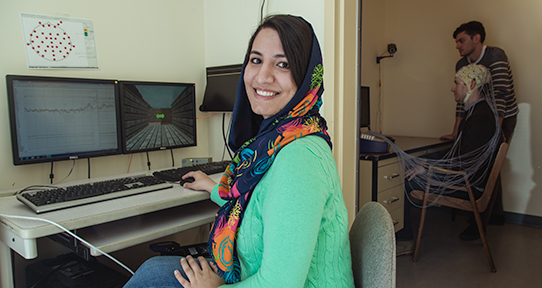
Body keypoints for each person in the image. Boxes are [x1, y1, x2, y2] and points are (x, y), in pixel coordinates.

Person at [123, 14, 355, 288]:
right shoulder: (283, 136)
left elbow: (280, 284)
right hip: (251, 275)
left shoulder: (299, 159)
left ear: (306, 76)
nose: (262, 76)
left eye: (282, 64)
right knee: (153, 272)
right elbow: (260, 206)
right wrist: (212, 187)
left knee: (151, 278)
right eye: (256, 60)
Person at [396, 64, 503, 255]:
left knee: (407, 182)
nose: (453, 88)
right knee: (415, 168)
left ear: (471, 84)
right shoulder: (480, 112)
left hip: (467, 187)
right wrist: (425, 165)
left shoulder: (479, 118)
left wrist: (426, 169)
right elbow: (460, 156)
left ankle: (405, 240)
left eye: (457, 83)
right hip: (468, 182)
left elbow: (464, 163)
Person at [441, 21, 518, 229]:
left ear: (477, 39)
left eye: (461, 40)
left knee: (490, 162)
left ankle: (479, 221)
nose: (458, 45)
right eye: (457, 41)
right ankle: (496, 215)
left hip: (501, 115)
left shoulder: (495, 56)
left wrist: (496, 132)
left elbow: (501, 94)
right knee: (487, 163)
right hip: (477, 113)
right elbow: (462, 101)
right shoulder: (461, 64)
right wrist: (456, 131)